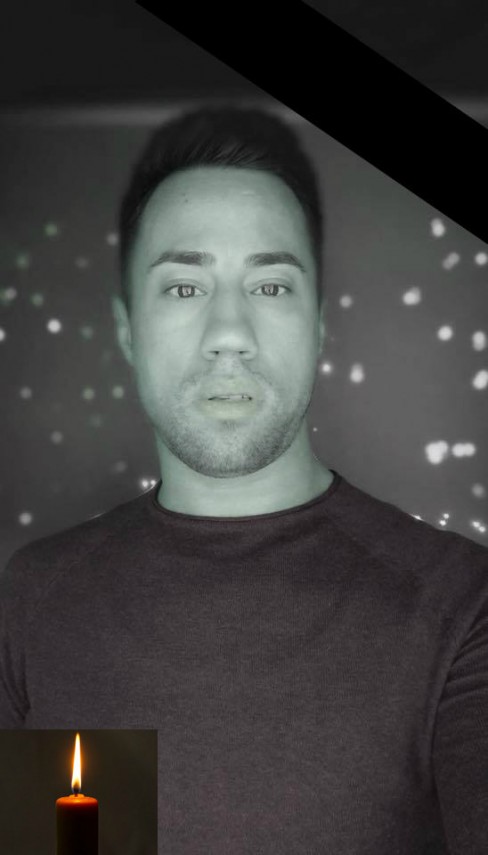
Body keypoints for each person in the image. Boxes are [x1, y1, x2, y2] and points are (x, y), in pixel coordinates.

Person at [1, 104, 487, 855]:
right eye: (184, 288)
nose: (229, 334)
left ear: (319, 326)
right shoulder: (33, 602)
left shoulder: (462, 608)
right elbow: (58, 837)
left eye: (270, 287)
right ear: (127, 331)